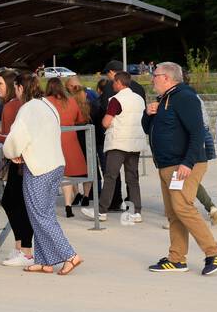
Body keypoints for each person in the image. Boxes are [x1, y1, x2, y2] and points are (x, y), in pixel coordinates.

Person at [142, 62, 217, 275]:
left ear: (167, 78)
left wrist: (188, 162)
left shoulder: (185, 97)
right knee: (173, 212)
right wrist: (147, 114)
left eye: (155, 75)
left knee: (182, 207)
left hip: (183, 163)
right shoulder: (164, 99)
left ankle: (214, 252)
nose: (152, 79)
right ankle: (176, 259)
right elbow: (148, 129)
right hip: (166, 164)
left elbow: (197, 133)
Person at [2, 76, 81, 275]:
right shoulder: (47, 105)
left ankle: (70, 255)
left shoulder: (27, 109)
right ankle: (45, 261)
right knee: (44, 214)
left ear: (20, 88)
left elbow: (16, 137)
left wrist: (12, 153)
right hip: (56, 164)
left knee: (40, 215)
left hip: (39, 168)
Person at [0, 71, 34, 266]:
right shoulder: (20, 105)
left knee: (13, 203)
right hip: (25, 160)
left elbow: (11, 138)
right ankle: (20, 248)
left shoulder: (11, 106)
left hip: (18, 160)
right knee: (16, 203)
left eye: (0, 84)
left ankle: (25, 251)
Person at [85, 70, 145, 223]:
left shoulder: (116, 100)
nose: (112, 85)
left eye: (114, 82)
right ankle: (136, 212)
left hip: (118, 142)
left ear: (119, 83)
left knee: (110, 176)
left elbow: (106, 122)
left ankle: (102, 211)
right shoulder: (139, 99)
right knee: (132, 178)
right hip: (134, 143)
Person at [44, 78, 87, 218]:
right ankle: (68, 205)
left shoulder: (45, 102)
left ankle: (47, 206)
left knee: (51, 174)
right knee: (67, 174)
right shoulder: (71, 101)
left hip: (52, 139)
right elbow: (80, 119)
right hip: (70, 139)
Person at [64, 76, 96, 207]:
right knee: (89, 165)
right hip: (87, 135)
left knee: (72, 165)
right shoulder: (89, 102)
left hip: (73, 136)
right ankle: (86, 195)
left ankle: (76, 192)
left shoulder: (69, 103)